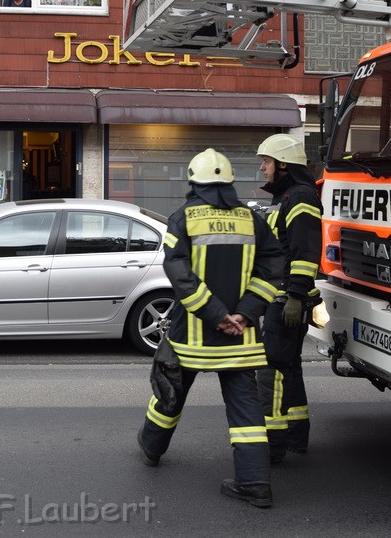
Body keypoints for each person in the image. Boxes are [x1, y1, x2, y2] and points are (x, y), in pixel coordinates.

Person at [137, 148, 285, 509]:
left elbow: (179, 275)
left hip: (193, 335)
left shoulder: (183, 218)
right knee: (247, 412)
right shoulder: (252, 219)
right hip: (241, 337)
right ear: (230, 183)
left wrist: (215, 314)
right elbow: (273, 266)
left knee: (171, 392)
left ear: (193, 183)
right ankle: (255, 484)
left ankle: (151, 448)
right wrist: (246, 313)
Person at [253, 134, 323, 465]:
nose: (262, 168)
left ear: (283, 164)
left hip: (286, 302)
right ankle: (297, 436)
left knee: (272, 371)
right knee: (289, 367)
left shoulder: (301, 198)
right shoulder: (288, 197)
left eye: (266, 161)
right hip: (282, 299)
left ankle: (272, 445)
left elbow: (305, 251)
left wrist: (295, 296)